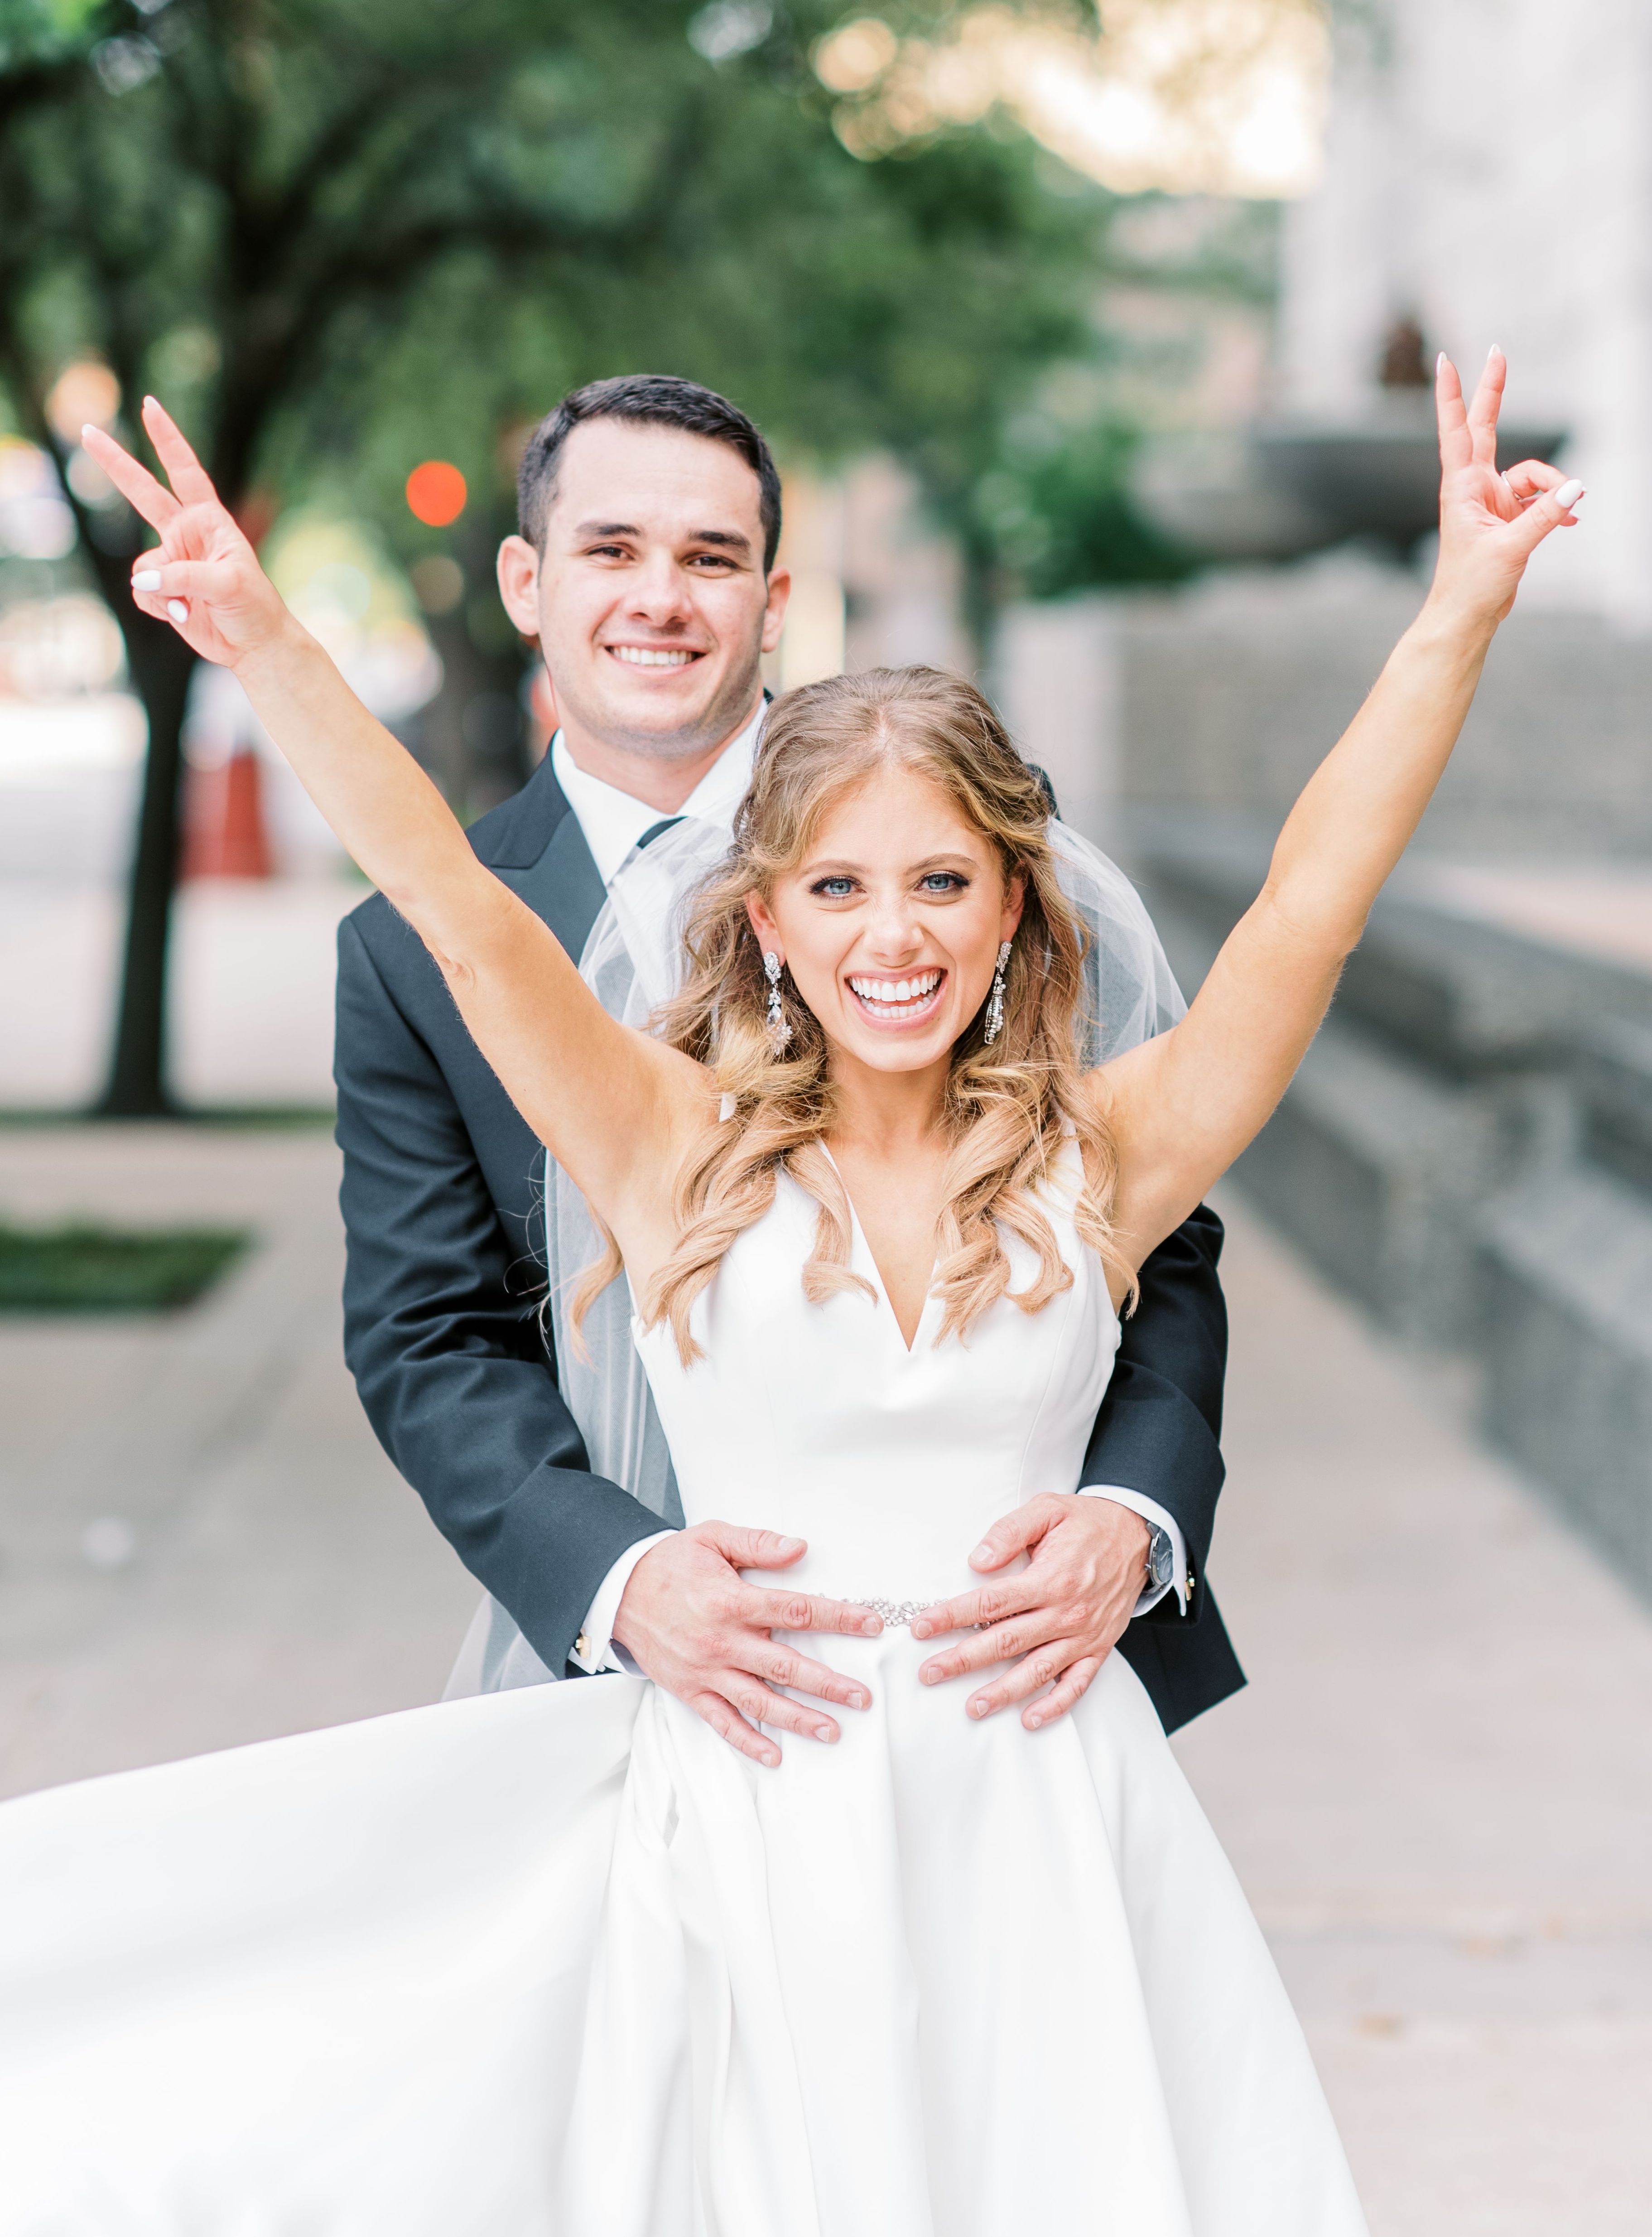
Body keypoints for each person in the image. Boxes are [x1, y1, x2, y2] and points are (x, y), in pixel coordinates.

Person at [0, 352, 1581, 2235]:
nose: (891, 934)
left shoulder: (1111, 1154)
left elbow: (1316, 897)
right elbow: (451, 903)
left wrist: (1460, 609)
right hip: (756, 1803)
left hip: (1048, 1817)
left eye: (940, 883)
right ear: (764, 920)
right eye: (835, 888)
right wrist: (261, 641)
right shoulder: (670, 1153)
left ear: (1016, 906)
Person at [335, 372, 1239, 1740]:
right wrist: (620, 1577)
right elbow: (427, 1329)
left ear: (772, 600)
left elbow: (1148, 1225)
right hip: (626, 1665)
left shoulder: (963, 845)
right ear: (526, 581)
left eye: (711, 557)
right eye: (612, 551)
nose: (662, 598)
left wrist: (1132, 1513)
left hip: (1002, 1661)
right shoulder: (412, 943)